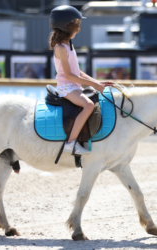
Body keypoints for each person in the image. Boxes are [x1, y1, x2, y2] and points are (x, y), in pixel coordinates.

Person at [50, 5, 113, 155]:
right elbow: (69, 75)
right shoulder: (61, 48)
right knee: (89, 105)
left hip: (73, 86)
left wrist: (97, 83)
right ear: (67, 26)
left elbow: (77, 72)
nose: (78, 29)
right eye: (76, 25)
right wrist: (94, 84)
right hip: (66, 88)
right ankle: (70, 143)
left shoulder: (68, 45)